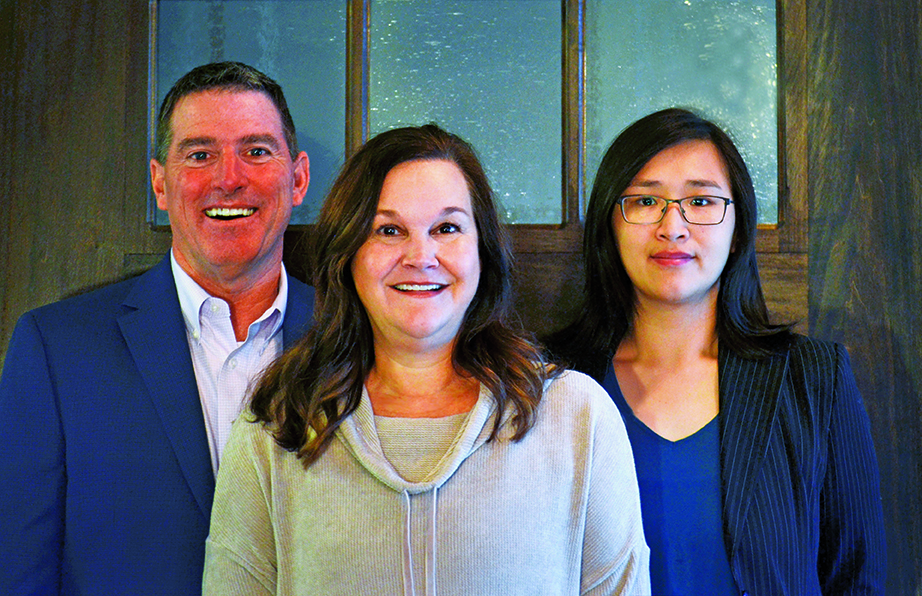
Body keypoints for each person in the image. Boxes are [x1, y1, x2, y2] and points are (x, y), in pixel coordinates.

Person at [202, 124, 650, 595]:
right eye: (389, 230)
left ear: (483, 250)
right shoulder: (276, 426)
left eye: (447, 228)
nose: (421, 255)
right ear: (348, 253)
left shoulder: (576, 416)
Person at [0, 62, 314, 595]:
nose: (228, 177)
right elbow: (19, 569)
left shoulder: (361, 340)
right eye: (200, 154)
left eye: (257, 151)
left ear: (298, 178)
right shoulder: (56, 351)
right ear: (160, 183)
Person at [547, 108, 886, 595]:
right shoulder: (549, 381)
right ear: (610, 225)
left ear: (737, 231)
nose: (673, 226)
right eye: (645, 201)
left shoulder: (814, 378)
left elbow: (857, 577)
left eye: (701, 201)